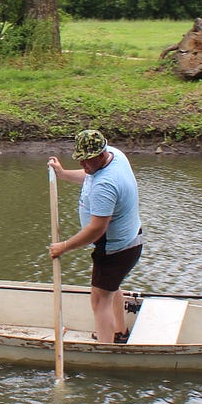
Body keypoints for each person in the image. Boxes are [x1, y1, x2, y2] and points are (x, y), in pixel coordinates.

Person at [47, 129, 143, 344]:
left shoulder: (105, 185)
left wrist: (64, 246)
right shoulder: (114, 155)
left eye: (86, 161)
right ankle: (119, 332)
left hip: (115, 251)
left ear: (101, 155)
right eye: (80, 160)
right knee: (110, 288)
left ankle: (105, 348)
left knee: (99, 300)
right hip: (130, 241)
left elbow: (96, 230)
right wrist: (63, 174)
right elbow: (90, 175)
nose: (83, 166)